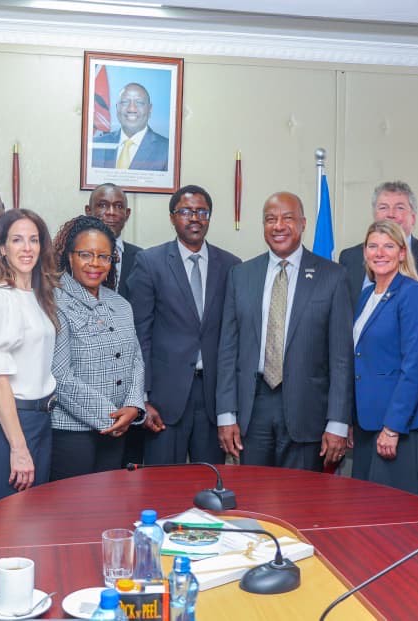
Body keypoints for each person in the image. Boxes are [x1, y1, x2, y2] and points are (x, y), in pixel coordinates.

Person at [215, 192, 352, 471]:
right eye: (270, 219)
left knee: (302, 503)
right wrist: (226, 415)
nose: (278, 226)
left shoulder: (333, 276)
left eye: (287, 218)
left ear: (303, 223)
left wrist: (338, 422)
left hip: (308, 411)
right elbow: (228, 350)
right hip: (253, 409)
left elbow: (341, 357)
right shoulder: (241, 275)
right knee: (252, 499)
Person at [126, 185, 242, 465]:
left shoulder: (231, 266)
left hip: (213, 397)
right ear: (172, 217)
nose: (195, 218)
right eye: (186, 211)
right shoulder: (150, 262)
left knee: (209, 481)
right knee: (161, 485)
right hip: (164, 399)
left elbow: (233, 337)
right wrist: (142, 397)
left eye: (202, 212)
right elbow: (139, 334)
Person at [0, 209, 59, 500]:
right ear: (2, 249)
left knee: (34, 524)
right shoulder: (0, 298)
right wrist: (19, 448)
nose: (27, 248)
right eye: (18, 240)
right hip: (12, 424)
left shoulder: (36, 295)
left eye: (33, 240)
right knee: (12, 527)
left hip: (40, 421)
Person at [49, 215, 145, 480]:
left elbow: (136, 360)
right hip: (72, 434)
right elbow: (58, 376)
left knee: (107, 510)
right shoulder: (53, 301)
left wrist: (134, 406)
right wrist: (110, 416)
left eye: (104, 256)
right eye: (86, 254)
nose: (95, 263)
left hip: (118, 430)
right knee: (73, 515)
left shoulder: (120, 304)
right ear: (69, 256)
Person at [350, 220, 418, 496]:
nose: (380, 253)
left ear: (402, 253)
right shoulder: (366, 296)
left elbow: (414, 366)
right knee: (364, 512)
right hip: (367, 425)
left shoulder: (412, 293)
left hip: (400, 428)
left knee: (394, 517)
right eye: (373, 246)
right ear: (364, 252)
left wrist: (392, 427)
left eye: (388, 246)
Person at [338, 181, 418, 304]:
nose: (391, 214)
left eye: (399, 208)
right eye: (383, 207)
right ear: (374, 216)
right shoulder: (349, 257)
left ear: (413, 218)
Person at [91, 82, 169, 171]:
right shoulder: (96, 145)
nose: (131, 109)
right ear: (117, 108)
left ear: (150, 109)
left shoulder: (167, 150)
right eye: (124, 102)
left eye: (139, 103)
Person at [84, 182, 142, 299]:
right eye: (103, 205)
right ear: (88, 211)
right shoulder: (69, 255)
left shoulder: (142, 259)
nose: (111, 212)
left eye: (119, 206)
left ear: (127, 214)